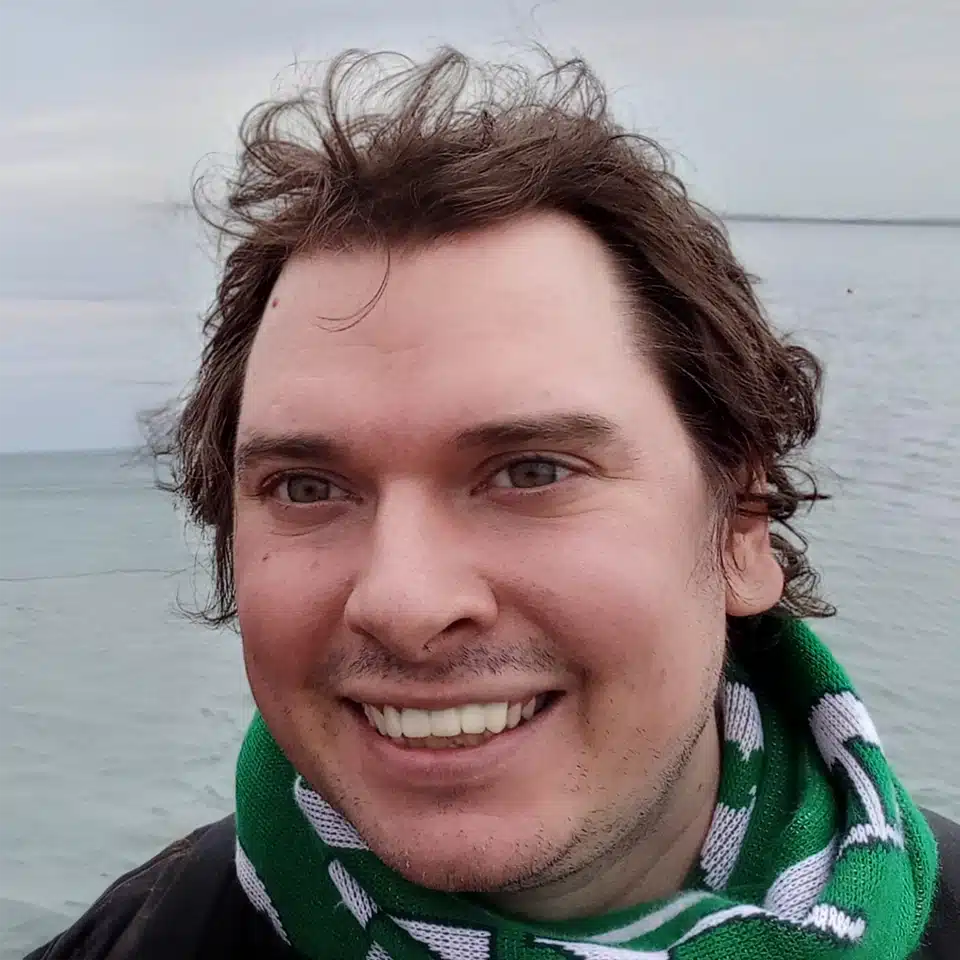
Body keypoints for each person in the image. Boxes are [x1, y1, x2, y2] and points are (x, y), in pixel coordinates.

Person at [26, 48, 957, 960]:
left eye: (532, 472)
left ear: (742, 527)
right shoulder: (146, 934)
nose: (404, 602)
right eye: (307, 488)